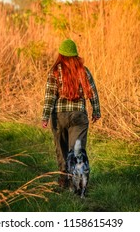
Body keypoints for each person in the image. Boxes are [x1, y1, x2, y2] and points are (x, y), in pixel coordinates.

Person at [41, 39, 101, 188]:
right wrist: (96, 111)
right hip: (78, 116)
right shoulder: (83, 71)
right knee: (77, 149)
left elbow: (50, 96)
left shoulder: (55, 71)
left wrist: (45, 117)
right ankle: (79, 182)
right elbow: (92, 92)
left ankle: (63, 179)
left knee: (61, 148)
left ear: (61, 55)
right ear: (75, 55)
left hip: (59, 116)